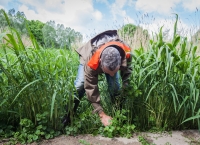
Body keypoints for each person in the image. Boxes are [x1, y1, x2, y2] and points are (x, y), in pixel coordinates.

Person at [63, 30, 132, 126]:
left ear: (120, 60)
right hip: (90, 54)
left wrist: (126, 87)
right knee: (80, 85)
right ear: (100, 62)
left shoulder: (126, 50)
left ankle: (118, 114)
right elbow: (91, 87)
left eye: (115, 72)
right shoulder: (90, 60)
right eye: (108, 72)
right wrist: (101, 114)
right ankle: (67, 116)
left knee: (115, 86)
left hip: (110, 56)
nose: (112, 75)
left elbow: (128, 71)